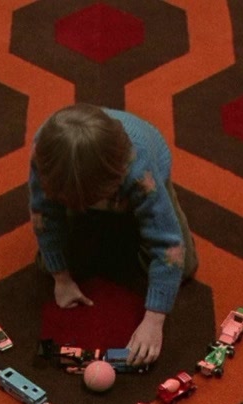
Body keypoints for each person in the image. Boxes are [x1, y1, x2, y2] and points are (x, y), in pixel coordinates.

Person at [29, 103, 198, 367]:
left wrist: (154, 320)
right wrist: (61, 278)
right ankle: (98, 218)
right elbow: (44, 215)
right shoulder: (45, 155)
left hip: (142, 185)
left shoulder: (140, 170)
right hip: (85, 187)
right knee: (47, 264)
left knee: (184, 267)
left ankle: (128, 217)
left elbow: (168, 245)